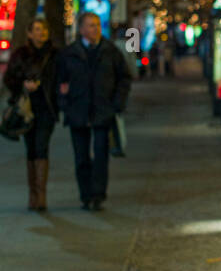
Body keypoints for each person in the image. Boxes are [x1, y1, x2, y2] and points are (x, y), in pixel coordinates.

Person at [58, 12, 132, 211]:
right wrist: (65, 103)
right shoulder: (69, 53)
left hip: (102, 111)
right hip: (78, 111)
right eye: (91, 25)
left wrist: (117, 103)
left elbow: (124, 78)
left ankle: (98, 194)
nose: (95, 29)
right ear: (81, 29)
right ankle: (85, 195)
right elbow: (60, 81)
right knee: (81, 157)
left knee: (101, 155)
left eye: (97, 25)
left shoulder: (110, 51)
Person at [4, 16, 58, 211]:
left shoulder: (54, 55)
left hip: (46, 108)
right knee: (31, 149)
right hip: (26, 109)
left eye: (43, 29)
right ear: (29, 33)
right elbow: (9, 78)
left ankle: (41, 195)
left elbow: (59, 79)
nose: (40, 33)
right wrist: (23, 84)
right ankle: (32, 194)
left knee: (42, 146)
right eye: (36, 29)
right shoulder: (20, 54)